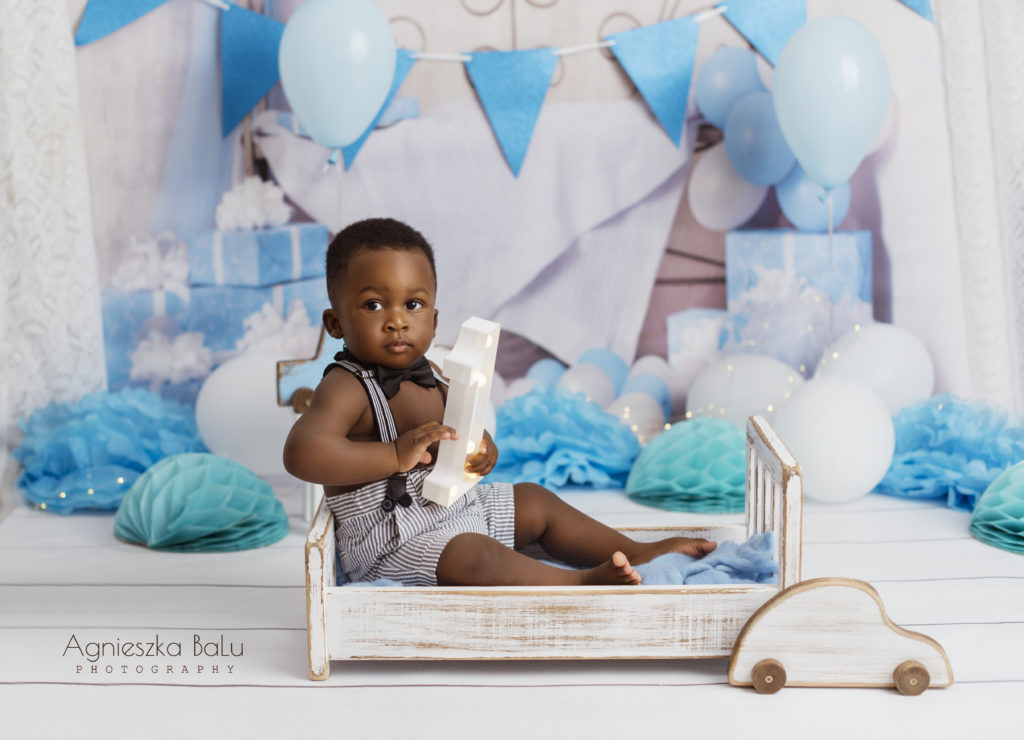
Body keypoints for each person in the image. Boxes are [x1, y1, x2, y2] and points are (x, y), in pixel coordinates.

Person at [283, 217, 716, 587]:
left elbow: (460, 428)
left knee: (534, 499)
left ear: (433, 322)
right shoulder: (347, 386)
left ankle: (636, 551)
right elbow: (303, 452)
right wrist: (394, 454)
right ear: (336, 322)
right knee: (474, 555)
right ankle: (579, 582)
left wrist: (479, 447)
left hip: (455, 510)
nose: (397, 320)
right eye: (374, 304)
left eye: (412, 305)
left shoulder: (431, 372)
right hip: (394, 542)